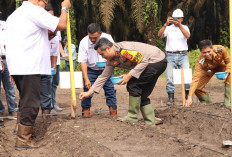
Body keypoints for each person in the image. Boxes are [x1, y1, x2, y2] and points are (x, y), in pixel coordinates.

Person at [6, 0, 71, 149]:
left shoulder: (15, 15)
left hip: (18, 65)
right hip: (29, 65)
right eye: (45, 1)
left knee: (25, 99)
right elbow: (61, 25)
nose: (45, 4)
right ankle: (23, 140)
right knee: (32, 103)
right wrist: (65, 8)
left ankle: (19, 129)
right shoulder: (34, 11)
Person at [79, 38, 167, 126]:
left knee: (133, 85)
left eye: (102, 54)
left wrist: (129, 76)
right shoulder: (111, 60)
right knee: (141, 94)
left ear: (108, 48)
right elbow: (104, 76)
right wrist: (89, 92)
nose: (102, 57)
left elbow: (144, 62)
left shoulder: (124, 51)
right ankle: (151, 121)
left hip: (156, 60)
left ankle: (132, 116)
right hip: (156, 62)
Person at [78, 23, 117, 117]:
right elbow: (83, 62)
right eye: (90, 37)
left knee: (110, 89)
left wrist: (109, 63)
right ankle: (86, 111)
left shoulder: (108, 38)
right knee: (87, 89)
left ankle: (113, 112)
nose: (92, 40)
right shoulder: (83, 42)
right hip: (91, 69)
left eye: (95, 37)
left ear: (100, 33)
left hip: (106, 68)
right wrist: (86, 78)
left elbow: (113, 53)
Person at [158, 8, 191, 105]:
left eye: (178, 18)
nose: (176, 20)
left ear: (182, 19)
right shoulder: (168, 28)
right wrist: (165, 24)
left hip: (183, 54)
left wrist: (179, 25)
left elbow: (187, 36)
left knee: (186, 76)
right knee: (170, 77)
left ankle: (187, 96)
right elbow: (159, 35)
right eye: (175, 18)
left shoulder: (185, 27)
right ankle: (171, 98)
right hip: (170, 55)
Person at [185, 40, 231, 107]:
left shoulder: (220, 49)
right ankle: (207, 104)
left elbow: (228, 62)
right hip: (208, 70)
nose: (207, 54)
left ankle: (228, 103)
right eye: (204, 52)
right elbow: (195, 78)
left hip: (221, 67)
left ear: (212, 49)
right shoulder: (200, 61)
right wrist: (189, 97)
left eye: (209, 51)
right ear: (201, 52)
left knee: (230, 74)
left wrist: (227, 71)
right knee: (197, 88)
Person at [40, 7, 59, 117]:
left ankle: (46, 117)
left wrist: (53, 66)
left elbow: (54, 53)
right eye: (51, 34)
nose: (52, 36)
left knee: (47, 93)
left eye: (54, 34)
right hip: (33, 69)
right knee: (29, 96)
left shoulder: (55, 38)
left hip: (46, 69)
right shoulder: (37, 35)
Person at [0, 19, 18, 127]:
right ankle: (1, 110)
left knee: (10, 85)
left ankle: (13, 109)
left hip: (8, 58)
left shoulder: (5, 24)